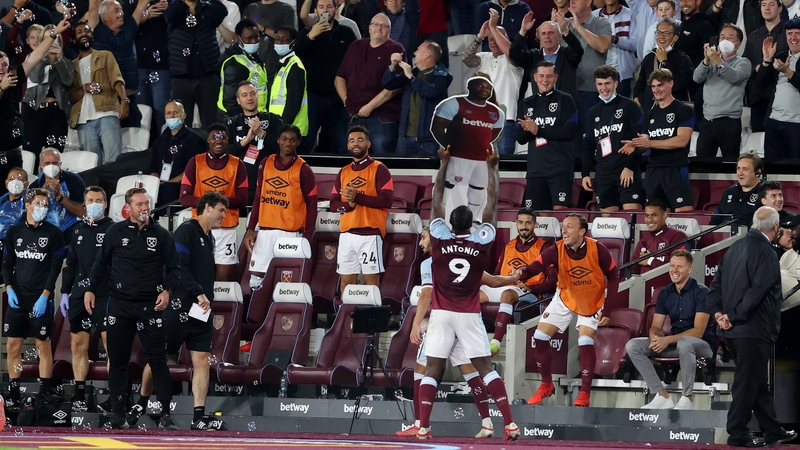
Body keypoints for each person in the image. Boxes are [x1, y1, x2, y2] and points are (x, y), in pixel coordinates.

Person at [415, 144, 520, 441]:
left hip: (442, 313)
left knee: (433, 369)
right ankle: (509, 424)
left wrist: (444, 164)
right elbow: (491, 205)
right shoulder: (481, 242)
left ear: (448, 224)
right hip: (469, 313)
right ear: (472, 225)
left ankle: (423, 426)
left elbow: (437, 198)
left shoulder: (437, 239)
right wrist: (492, 167)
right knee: (485, 368)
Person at [397, 227, 519, 438]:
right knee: (474, 372)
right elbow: (492, 282)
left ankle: (420, 424)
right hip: (467, 320)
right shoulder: (470, 255)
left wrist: (417, 323)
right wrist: (513, 278)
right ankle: (490, 423)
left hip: (442, 319)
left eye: (424, 237)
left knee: (425, 369)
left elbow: (426, 293)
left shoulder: (432, 261)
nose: (421, 242)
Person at [130, 192, 228, 430]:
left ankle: (198, 416)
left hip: (201, 311)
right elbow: (178, 268)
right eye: (220, 210)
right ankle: (141, 402)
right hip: (179, 307)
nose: (223, 216)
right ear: (205, 208)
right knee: (159, 357)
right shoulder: (187, 230)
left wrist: (206, 298)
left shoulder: (210, 237)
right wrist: (198, 292)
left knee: (202, 360)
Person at [84, 187, 180, 430]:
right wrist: (90, 289)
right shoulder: (115, 231)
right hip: (119, 305)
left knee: (158, 360)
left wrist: (167, 291)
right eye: (139, 204)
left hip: (151, 306)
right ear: (128, 208)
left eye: (147, 203)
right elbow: (100, 263)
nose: (145, 208)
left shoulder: (161, 234)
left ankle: (166, 413)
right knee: (117, 361)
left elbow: (175, 269)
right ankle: (118, 413)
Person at [706, 206, 798, 447]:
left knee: (755, 382)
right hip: (753, 329)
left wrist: (718, 314)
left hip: (732, 330)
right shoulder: (766, 253)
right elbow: (758, 292)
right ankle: (737, 433)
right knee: (747, 382)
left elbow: (714, 287)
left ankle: (773, 431)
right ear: (776, 227)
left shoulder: (733, 248)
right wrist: (733, 316)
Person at [518, 213, 619, 408]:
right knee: (540, 336)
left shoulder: (598, 249)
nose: (564, 230)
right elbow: (534, 268)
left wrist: (607, 311)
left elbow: (614, 276)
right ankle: (546, 384)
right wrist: (520, 273)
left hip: (592, 298)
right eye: (563, 226)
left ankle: (584, 393)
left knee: (585, 340)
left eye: (569, 227)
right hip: (566, 295)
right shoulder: (555, 249)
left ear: (582, 231)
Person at [626, 250, 715, 411]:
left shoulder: (702, 292)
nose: (674, 270)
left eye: (679, 267)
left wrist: (667, 339)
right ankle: (661, 395)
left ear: (690, 269)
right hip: (676, 344)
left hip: (702, 346)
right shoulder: (665, 292)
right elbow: (656, 326)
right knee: (633, 345)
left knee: (685, 342)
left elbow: (698, 332)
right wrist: (655, 337)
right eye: (672, 266)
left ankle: (687, 398)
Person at [2, 188, 65, 408]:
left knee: (43, 346)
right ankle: (13, 391)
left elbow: (55, 268)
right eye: (38, 204)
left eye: (45, 205)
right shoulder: (14, 232)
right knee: (12, 346)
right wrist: (9, 289)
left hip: (41, 298)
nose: (42, 208)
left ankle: (45, 389)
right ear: (27, 206)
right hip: (18, 298)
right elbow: (6, 264)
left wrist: (45, 296)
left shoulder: (54, 233)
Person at [0, 17, 71, 196]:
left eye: (5, 64)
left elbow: (36, 56)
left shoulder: (14, 79)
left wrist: (53, 34)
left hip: (13, 153)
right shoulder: (6, 84)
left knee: (15, 197)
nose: (2, 67)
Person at [243, 125, 317, 291]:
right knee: (256, 284)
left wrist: (308, 236)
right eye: (284, 139)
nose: (287, 143)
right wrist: (250, 228)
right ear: (278, 140)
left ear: (298, 142)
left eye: (292, 140)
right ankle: (258, 318)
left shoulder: (304, 169)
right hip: (264, 232)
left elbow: (312, 207)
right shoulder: (265, 163)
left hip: (290, 234)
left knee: (286, 286)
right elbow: (257, 198)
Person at [59, 186, 112, 412]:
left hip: (106, 293)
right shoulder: (78, 230)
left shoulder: (114, 230)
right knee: (77, 345)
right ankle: (79, 394)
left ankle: (114, 395)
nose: (94, 204)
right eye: (90, 200)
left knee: (112, 347)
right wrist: (64, 291)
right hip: (80, 294)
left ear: (106, 204)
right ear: (84, 204)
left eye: (98, 200)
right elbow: (71, 264)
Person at [481, 208, 557, 356]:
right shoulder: (509, 246)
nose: (524, 226)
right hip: (504, 286)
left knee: (508, 294)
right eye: (521, 222)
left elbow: (554, 281)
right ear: (515, 223)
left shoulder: (544, 247)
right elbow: (497, 274)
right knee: (475, 294)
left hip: (528, 292)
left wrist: (531, 287)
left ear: (535, 225)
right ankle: (473, 337)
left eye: (528, 223)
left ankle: (496, 343)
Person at [180, 123, 248, 281]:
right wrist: (210, 203)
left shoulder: (238, 164)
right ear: (208, 140)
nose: (218, 141)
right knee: (198, 274)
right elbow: (184, 197)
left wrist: (218, 204)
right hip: (201, 227)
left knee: (222, 279)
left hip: (227, 228)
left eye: (222, 138)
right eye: (214, 138)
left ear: (228, 140)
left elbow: (243, 199)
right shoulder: (195, 162)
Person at [330, 126, 393, 293]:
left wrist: (357, 198)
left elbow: (387, 200)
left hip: (370, 235)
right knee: (346, 285)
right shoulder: (343, 172)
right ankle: (348, 319)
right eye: (352, 140)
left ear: (368, 143)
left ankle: (371, 319)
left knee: (371, 284)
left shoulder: (380, 169)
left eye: (360, 139)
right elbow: (333, 205)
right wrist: (348, 205)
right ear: (348, 145)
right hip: (347, 235)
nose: (355, 143)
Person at [431, 76, 504, 218]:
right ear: (469, 88)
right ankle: (446, 218)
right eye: (480, 86)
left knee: (478, 187)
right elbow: (437, 128)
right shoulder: (454, 104)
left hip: (482, 159)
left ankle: (473, 219)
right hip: (457, 157)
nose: (485, 90)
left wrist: (477, 142)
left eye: (488, 88)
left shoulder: (497, 112)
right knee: (451, 187)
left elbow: (492, 134)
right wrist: (450, 147)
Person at [624, 68, 695, 213]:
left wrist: (649, 143)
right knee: (656, 215)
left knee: (684, 214)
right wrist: (636, 145)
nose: (656, 90)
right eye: (653, 86)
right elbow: (645, 141)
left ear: (671, 84)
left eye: (660, 85)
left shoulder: (684, 110)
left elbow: (682, 140)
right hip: (654, 171)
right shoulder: (649, 115)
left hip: (675, 169)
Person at [335, 13, 405, 155]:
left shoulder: (396, 49)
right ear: (369, 27)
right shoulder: (356, 45)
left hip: (382, 117)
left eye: (384, 26)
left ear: (390, 31)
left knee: (383, 161)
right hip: (353, 115)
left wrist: (370, 107)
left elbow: (395, 87)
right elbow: (339, 78)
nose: (379, 28)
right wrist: (346, 101)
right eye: (375, 25)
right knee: (354, 161)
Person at [295, 0, 357, 154]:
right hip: (313, 97)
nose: (325, 10)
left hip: (339, 97)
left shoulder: (346, 32)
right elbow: (297, 54)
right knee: (307, 140)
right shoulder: (306, 32)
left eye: (329, 6)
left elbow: (355, 60)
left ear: (336, 9)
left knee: (341, 142)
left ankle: (341, 175)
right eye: (321, 7)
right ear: (315, 11)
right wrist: (311, 35)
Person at [582, 65, 645, 213]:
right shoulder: (593, 112)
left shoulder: (630, 106)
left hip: (626, 172)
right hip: (603, 175)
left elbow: (641, 140)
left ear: (615, 84)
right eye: (600, 84)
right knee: (609, 225)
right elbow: (589, 146)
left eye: (607, 83)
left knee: (632, 220)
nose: (604, 88)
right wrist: (585, 173)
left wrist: (630, 167)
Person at [516, 61, 578, 211]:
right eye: (541, 76)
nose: (545, 80)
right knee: (538, 219)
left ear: (556, 78)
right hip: (535, 170)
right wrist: (528, 130)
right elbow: (520, 138)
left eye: (549, 76)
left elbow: (570, 131)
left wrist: (538, 130)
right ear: (535, 77)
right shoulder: (526, 103)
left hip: (559, 170)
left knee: (559, 215)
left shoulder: (565, 100)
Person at [462, 11, 523, 155]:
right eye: (490, 39)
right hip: (482, 118)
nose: (493, 42)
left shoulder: (515, 58)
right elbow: (466, 59)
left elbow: (510, 52)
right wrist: (479, 37)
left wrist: (494, 29)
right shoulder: (484, 57)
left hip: (505, 119)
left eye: (497, 38)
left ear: (506, 38)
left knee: (504, 160)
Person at [69, 21, 127, 165]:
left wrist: (124, 100)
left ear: (92, 35)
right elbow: (70, 97)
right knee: (92, 164)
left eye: (87, 31)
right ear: (73, 39)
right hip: (83, 120)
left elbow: (117, 79)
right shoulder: (71, 65)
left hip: (107, 113)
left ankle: (114, 188)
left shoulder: (106, 56)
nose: (84, 34)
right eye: (79, 31)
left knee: (113, 161)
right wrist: (84, 88)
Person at [86, 0, 150, 129]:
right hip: (106, 101)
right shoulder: (96, 32)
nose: (121, 13)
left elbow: (142, 4)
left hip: (130, 99)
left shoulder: (129, 29)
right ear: (104, 16)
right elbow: (93, 8)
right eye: (116, 10)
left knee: (134, 146)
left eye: (121, 10)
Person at [164, 0, 226, 130]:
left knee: (211, 121)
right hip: (182, 74)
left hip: (208, 73)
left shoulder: (208, 8)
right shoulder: (176, 9)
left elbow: (222, 12)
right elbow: (169, 16)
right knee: (182, 122)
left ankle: (211, 150)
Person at [382, 40, 451, 156]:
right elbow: (389, 84)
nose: (414, 53)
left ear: (426, 55)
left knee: (428, 172)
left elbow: (430, 91)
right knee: (404, 173)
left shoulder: (442, 76)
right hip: (405, 138)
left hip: (428, 140)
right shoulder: (413, 72)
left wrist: (411, 77)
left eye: (418, 50)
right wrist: (393, 66)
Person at [693, 24, 751, 158]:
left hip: (730, 122)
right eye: (722, 37)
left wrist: (717, 61)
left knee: (730, 164)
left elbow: (735, 77)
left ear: (738, 44)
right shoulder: (711, 62)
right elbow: (696, 78)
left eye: (730, 37)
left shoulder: (743, 62)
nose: (725, 40)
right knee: (702, 165)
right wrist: (706, 60)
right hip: (708, 121)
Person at [226, 82, 284, 204]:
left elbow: (284, 149)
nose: (249, 98)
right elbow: (223, 152)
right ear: (238, 100)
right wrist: (245, 141)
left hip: (271, 184)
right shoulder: (231, 124)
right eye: (245, 95)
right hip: (240, 185)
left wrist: (261, 133)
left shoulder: (273, 120)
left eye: (253, 94)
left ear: (258, 96)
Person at [22, 24, 73, 162]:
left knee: (55, 154)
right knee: (31, 153)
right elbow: (35, 77)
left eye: (54, 37)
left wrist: (59, 59)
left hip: (57, 113)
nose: (50, 41)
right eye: (46, 39)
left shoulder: (66, 61)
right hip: (34, 111)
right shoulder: (33, 59)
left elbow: (68, 80)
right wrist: (42, 58)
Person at [509, 15, 583, 106]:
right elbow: (514, 54)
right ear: (539, 37)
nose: (547, 36)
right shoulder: (533, 56)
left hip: (565, 106)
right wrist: (523, 31)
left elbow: (578, 50)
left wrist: (565, 30)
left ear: (559, 36)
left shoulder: (568, 55)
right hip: (540, 107)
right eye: (543, 34)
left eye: (551, 33)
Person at [148, 100, 206, 207]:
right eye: (168, 113)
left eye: (175, 112)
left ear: (184, 115)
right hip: (162, 184)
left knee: (166, 190)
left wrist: (167, 183)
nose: (172, 116)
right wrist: (154, 183)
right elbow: (154, 168)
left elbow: (193, 171)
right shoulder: (160, 141)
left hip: (183, 185)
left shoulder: (194, 140)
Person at [757, 18, 800, 159]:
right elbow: (760, 84)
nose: (793, 37)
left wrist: (787, 72)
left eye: (797, 33)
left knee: (795, 170)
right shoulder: (780, 57)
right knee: (772, 168)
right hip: (774, 121)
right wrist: (767, 60)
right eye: (789, 33)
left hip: (796, 124)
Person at [743, 0, 788, 133]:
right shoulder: (753, 36)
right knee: (758, 141)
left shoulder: (789, 34)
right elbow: (746, 63)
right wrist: (756, 67)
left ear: (780, 9)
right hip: (758, 97)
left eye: (771, 4)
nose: (767, 8)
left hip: (781, 97)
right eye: (763, 5)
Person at [633, 18, 694, 112]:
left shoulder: (682, 58)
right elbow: (640, 83)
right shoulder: (649, 57)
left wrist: (664, 62)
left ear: (676, 37)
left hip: (673, 112)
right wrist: (636, 97)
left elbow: (678, 85)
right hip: (650, 112)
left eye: (666, 33)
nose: (661, 36)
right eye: (659, 32)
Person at [29, 148, 87, 245]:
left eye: (54, 163)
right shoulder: (35, 186)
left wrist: (60, 197)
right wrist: (43, 195)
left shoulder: (73, 180)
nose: (51, 166)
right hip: (44, 230)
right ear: (41, 165)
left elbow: (84, 212)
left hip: (71, 228)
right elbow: (30, 217)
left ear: (60, 164)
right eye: (47, 163)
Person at [217, 19, 268, 120]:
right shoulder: (234, 64)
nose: (253, 42)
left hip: (256, 116)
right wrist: (242, 123)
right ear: (238, 38)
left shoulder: (254, 57)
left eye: (256, 37)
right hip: (239, 119)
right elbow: (230, 102)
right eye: (248, 38)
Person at [673, 0, 715, 121]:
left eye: (689, 0)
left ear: (698, 2)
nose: (684, 3)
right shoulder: (681, 25)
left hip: (697, 87)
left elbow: (710, 56)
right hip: (680, 85)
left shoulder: (707, 25)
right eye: (682, 0)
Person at [135, 0, 171, 134]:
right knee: (142, 112)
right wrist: (145, 14)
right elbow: (125, 28)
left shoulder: (171, 3)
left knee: (161, 111)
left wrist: (169, 9)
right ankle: (144, 150)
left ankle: (164, 145)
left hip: (162, 65)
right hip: (139, 64)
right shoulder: (133, 3)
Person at [269, 26, 308, 140]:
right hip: (281, 127)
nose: (280, 42)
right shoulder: (283, 65)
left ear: (293, 43)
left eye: (284, 39)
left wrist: (282, 128)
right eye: (277, 39)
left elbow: (293, 103)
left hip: (291, 130)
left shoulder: (295, 67)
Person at [592, 0, 637, 97]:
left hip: (622, 75)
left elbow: (635, 44)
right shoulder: (594, 15)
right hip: (599, 74)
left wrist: (615, 39)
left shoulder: (630, 14)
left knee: (622, 109)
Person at [632, 199, 689, 275]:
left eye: (654, 215)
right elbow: (633, 269)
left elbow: (677, 268)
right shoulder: (643, 241)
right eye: (647, 216)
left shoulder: (677, 237)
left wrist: (650, 261)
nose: (649, 220)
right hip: (642, 284)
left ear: (664, 215)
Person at [710, 154, 764, 227]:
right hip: (725, 236)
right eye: (738, 168)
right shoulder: (729, 191)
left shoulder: (766, 192)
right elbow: (715, 220)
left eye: (745, 169)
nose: (740, 173)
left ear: (757, 172)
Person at [0, 168, 27, 243]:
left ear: (26, 184)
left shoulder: (31, 202)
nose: (15, 183)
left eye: (20, 180)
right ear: (6, 183)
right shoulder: (1, 201)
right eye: (12, 179)